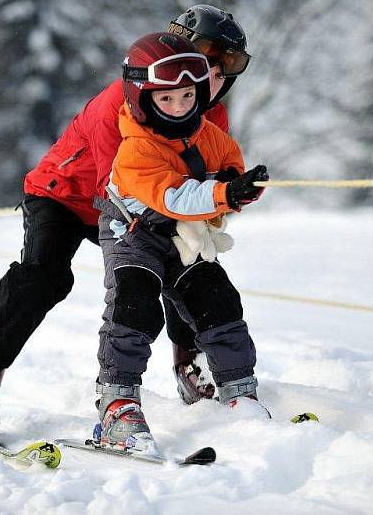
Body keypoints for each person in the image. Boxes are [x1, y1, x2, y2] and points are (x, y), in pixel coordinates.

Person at [0, 5, 253, 442]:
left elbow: (203, 182)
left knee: (186, 261)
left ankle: (191, 362)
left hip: (148, 202)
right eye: (207, 55)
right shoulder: (121, 103)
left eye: (229, 63)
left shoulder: (204, 111)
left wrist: (226, 191)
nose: (215, 72)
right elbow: (121, 189)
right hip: (69, 196)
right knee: (46, 277)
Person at [93, 32, 269, 453]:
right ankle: (117, 401)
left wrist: (238, 184)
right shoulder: (137, 147)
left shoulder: (206, 132)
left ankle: (239, 392)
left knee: (218, 300)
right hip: (134, 234)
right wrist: (221, 193)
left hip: (184, 236)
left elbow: (228, 161)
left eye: (187, 96)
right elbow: (174, 196)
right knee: (135, 305)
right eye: (166, 99)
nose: (179, 107)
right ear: (142, 97)